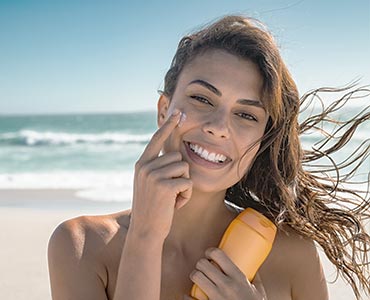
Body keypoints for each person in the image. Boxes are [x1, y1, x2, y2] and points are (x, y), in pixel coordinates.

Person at [47, 15, 370, 300]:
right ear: (164, 110)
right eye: (202, 98)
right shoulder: (81, 246)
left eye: (246, 115)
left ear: (261, 138)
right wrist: (144, 238)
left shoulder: (293, 253)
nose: (219, 128)